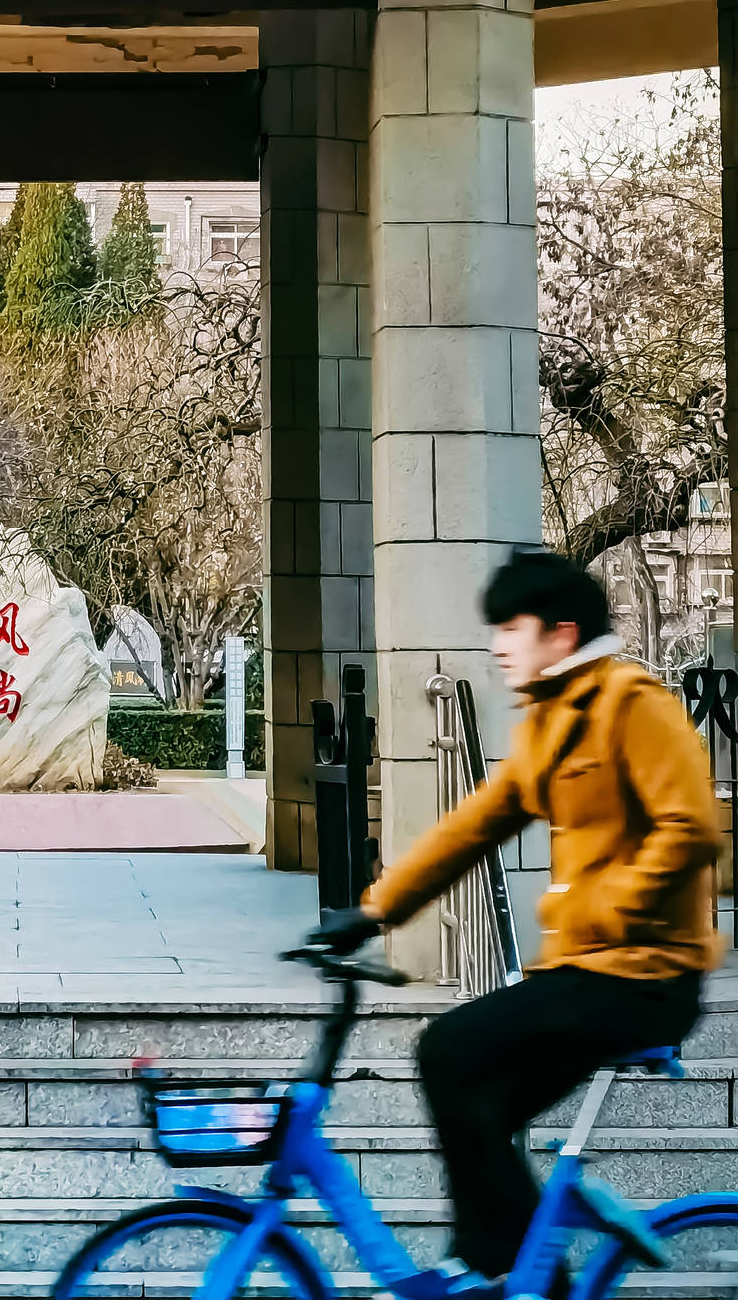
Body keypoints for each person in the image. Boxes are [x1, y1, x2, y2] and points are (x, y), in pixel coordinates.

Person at [313, 547, 722, 1292]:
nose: (497, 644)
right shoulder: (547, 724)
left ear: (561, 634)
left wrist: (605, 906)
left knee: (447, 1049)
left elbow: (690, 826)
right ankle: (532, 1277)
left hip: (646, 975)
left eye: (511, 626)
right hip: (586, 973)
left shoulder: (633, 705)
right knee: (478, 1102)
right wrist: (372, 913)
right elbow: (473, 828)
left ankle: (484, 1264)